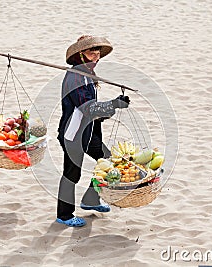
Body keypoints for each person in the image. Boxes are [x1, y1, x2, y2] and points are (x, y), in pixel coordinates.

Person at [56, 35, 130, 227]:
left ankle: (90, 199)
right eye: (91, 54)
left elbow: (95, 112)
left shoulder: (88, 75)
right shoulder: (74, 77)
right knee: (72, 173)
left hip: (89, 132)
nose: (95, 58)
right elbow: (88, 109)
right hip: (73, 135)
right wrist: (113, 104)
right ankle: (64, 215)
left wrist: (112, 107)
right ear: (80, 55)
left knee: (106, 159)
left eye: (97, 54)